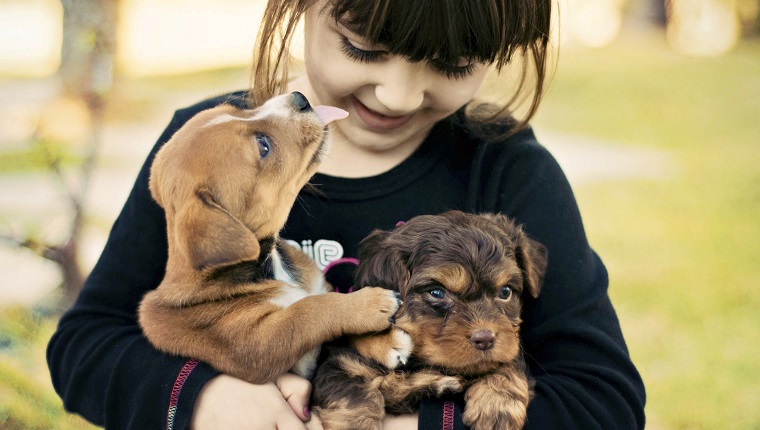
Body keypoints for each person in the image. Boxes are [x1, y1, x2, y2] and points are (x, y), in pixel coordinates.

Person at [47, 0, 646, 429]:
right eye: (364, 48)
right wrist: (205, 402)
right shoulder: (206, 156)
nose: (399, 94)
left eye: (456, 64)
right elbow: (86, 345)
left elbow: (604, 400)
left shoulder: (507, 171)